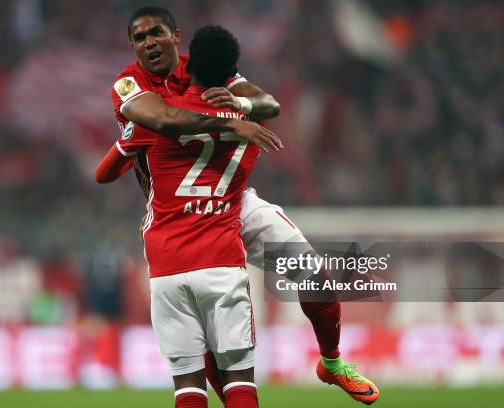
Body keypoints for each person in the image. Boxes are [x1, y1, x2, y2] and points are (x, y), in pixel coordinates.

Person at [111, 6, 379, 405]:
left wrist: (245, 105)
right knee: (210, 349)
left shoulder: (203, 68)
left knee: (313, 275)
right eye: (140, 38)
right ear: (133, 46)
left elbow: (268, 103)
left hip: (234, 202)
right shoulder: (128, 85)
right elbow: (165, 119)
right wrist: (228, 119)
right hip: (177, 217)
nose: (149, 42)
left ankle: (332, 362)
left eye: (157, 33)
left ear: (175, 36)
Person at [97, 25, 261, 408]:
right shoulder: (251, 122)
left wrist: (128, 143)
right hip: (221, 258)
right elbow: (267, 103)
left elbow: (102, 173)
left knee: (188, 388)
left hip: (167, 265)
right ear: (232, 72)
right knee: (238, 382)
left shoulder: (153, 121)